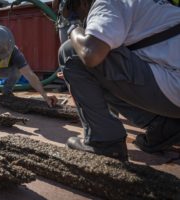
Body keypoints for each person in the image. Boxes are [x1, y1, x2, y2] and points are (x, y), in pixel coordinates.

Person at [58, 0, 180, 161]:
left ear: (82, 3)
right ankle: (165, 126)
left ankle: (104, 140)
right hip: (173, 83)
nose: (81, 20)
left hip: (175, 87)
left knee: (71, 51)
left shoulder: (107, 3)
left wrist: (73, 27)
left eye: (74, 13)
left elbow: (90, 53)